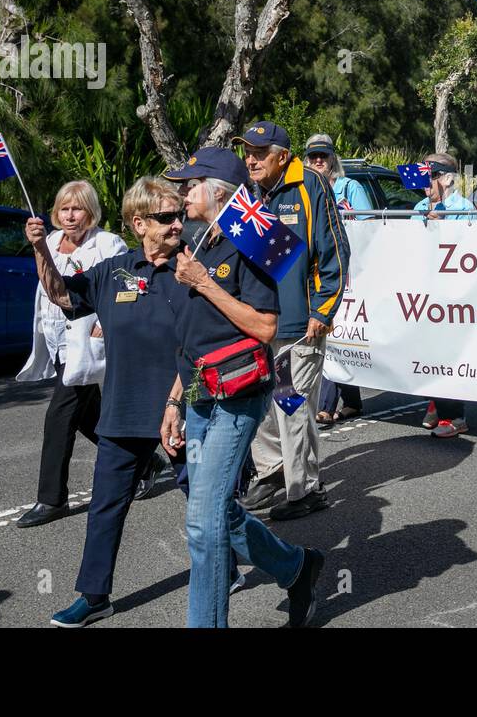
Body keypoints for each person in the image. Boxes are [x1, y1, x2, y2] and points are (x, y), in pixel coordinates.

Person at [159, 147, 325, 628]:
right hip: (197, 394)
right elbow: (193, 338)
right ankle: (297, 568)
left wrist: (204, 282)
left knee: (202, 522)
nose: (183, 193)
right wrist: (174, 399)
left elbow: (267, 328)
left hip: (238, 394)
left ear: (216, 191)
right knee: (217, 514)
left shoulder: (248, 241)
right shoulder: (196, 240)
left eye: (191, 185)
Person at [24, 176, 186, 626]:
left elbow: (203, 344)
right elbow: (61, 295)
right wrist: (41, 249)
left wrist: (181, 402)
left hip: (183, 411)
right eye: (167, 218)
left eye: (180, 217)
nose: (178, 225)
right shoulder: (115, 270)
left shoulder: (192, 271)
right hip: (123, 411)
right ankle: (94, 596)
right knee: (105, 507)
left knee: (214, 511)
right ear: (139, 224)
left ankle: (285, 564)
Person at [233, 121, 350, 519]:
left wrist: (323, 310)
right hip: (256, 321)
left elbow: (334, 251)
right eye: (247, 152)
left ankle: (305, 489)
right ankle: (273, 470)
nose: (251, 159)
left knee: (292, 405)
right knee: (261, 401)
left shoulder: (310, 185)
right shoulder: (247, 194)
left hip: (300, 325)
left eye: (260, 153)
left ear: (282, 156)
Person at [16, 181, 131, 529]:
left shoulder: (109, 243)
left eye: (77, 208)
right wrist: (38, 248)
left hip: (88, 340)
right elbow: (49, 284)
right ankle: (143, 463)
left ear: (91, 212)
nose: (69, 215)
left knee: (59, 417)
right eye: (64, 208)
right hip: (56, 340)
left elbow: (126, 287)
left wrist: (109, 325)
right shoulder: (50, 241)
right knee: (86, 416)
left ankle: (52, 499)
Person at [303, 133, 370, 426]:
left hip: (347, 269)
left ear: (333, 160)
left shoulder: (349, 187)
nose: (319, 161)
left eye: (324, 156)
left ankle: (326, 405)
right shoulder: (303, 188)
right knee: (337, 334)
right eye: (313, 157)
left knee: (337, 332)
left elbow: (370, 224)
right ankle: (351, 401)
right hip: (313, 273)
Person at [411, 153, 477, 438]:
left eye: (433, 174)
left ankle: (456, 416)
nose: (427, 180)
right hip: (426, 289)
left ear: (448, 178)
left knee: (449, 352)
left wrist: (446, 223)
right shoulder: (418, 206)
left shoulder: (464, 207)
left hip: (453, 291)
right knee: (427, 349)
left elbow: (474, 247)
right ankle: (435, 403)